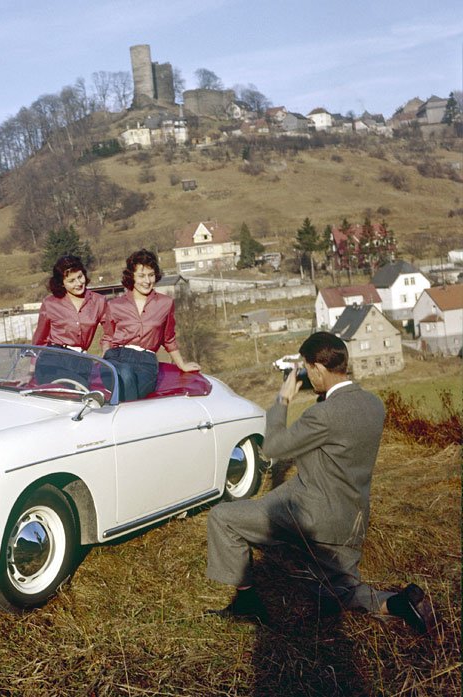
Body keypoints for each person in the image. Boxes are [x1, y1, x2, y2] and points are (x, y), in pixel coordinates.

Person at [205, 331, 435, 633]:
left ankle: (246, 603)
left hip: (313, 515)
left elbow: (272, 446)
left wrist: (282, 399)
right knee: (336, 591)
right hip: (351, 518)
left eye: (307, 368)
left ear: (316, 368)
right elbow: (340, 428)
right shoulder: (373, 405)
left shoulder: (322, 415)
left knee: (223, 518)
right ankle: (397, 604)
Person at [102, 249, 200, 401]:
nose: (147, 281)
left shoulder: (165, 303)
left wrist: (182, 365)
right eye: (141, 276)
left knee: (130, 392)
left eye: (151, 275)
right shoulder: (115, 305)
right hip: (117, 357)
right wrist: (104, 363)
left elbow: (168, 339)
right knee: (125, 374)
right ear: (131, 277)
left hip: (146, 362)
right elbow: (108, 337)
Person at [31, 254, 107, 386]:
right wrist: (30, 372)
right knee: (59, 393)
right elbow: (39, 340)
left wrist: (107, 357)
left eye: (80, 277)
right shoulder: (50, 303)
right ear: (62, 283)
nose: (78, 283)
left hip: (81, 361)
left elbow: (111, 334)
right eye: (71, 281)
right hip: (52, 359)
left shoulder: (99, 301)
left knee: (80, 395)